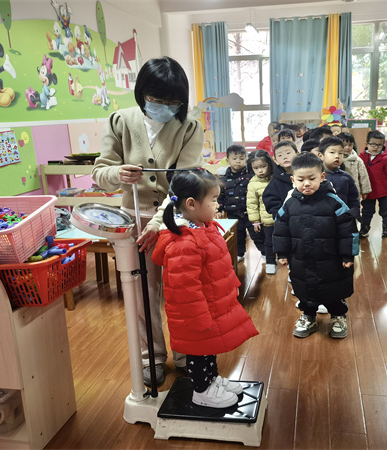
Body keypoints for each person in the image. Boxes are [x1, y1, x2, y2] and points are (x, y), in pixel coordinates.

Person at [93, 56, 203, 386]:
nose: (164, 108)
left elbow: (184, 184)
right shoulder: (121, 121)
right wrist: (117, 173)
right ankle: (151, 356)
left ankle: (186, 353)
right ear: (142, 94)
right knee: (143, 293)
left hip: (175, 218)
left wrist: (159, 222)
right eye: (156, 100)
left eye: (172, 103)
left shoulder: (189, 127)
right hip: (134, 222)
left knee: (182, 290)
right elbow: (100, 173)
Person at [151, 170, 258, 408]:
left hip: (210, 307)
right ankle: (201, 391)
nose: (218, 205)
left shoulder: (203, 227)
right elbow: (184, 289)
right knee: (198, 353)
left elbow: (218, 268)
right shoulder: (184, 243)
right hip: (197, 315)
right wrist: (198, 319)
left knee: (209, 348)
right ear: (191, 204)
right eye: (214, 199)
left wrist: (231, 290)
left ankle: (212, 380)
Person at [273, 152, 358, 339]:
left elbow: (348, 229)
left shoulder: (334, 202)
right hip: (300, 257)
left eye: (312, 179)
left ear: (322, 176)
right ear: (293, 180)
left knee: (333, 290)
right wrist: (282, 252)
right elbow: (280, 229)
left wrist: (348, 255)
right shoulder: (290, 204)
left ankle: (338, 316)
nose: (306, 184)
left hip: (330, 258)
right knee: (304, 290)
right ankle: (308, 316)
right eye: (300, 179)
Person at [358, 130, 387, 238]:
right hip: (368, 191)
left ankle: (386, 228)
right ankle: (364, 228)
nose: (376, 147)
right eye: (373, 144)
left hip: (385, 191)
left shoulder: (386, 159)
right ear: (366, 144)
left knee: (386, 210)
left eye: (379, 145)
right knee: (367, 211)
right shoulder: (360, 158)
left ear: (383, 145)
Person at [216, 145, 254, 263]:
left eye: (242, 158)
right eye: (234, 158)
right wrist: (218, 210)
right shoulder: (223, 180)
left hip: (250, 212)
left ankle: (265, 254)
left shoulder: (251, 177)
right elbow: (220, 196)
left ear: (246, 159)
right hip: (232, 213)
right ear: (228, 160)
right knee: (238, 235)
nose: (238, 161)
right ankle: (239, 254)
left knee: (256, 234)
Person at [246, 150, 277, 274]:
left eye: (263, 166)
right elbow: (252, 204)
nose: (260, 171)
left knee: (285, 240)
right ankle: (270, 262)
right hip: (266, 220)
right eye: (256, 168)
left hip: (281, 217)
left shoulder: (276, 178)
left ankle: (287, 261)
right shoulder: (253, 184)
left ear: (269, 164)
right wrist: (255, 221)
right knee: (268, 242)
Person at [320, 136, 361, 218]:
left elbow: (353, 198)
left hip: (343, 217)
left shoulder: (346, 177)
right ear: (320, 155)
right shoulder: (316, 177)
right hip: (322, 218)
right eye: (332, 152)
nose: (337, 156)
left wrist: (353, 212)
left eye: (340, 153)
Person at [262, 140, 300, 217]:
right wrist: (281, 216)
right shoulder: (275, 182)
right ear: (275, 160)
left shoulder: (307, 173)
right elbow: (271, 202)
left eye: (288, 153)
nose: (285, 157)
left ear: (297, 154)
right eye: (280, 155)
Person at [338, 132, 372, 202]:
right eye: (344, 145)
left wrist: (365, 191)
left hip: (354, 190)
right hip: (338, 190)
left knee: (354, 206)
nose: (347, 147)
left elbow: (363, 175)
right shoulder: (335, 159)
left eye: (350, 145)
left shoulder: (357, 160)